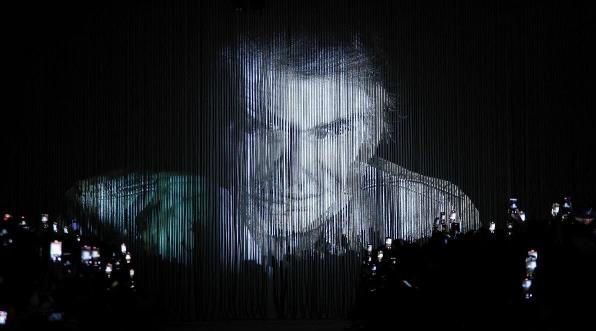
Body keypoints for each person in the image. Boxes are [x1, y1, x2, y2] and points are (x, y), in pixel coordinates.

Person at [66, 31, 480, 266]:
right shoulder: (110, 213)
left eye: (330, 132)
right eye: (261, 129)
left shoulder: (431, 219)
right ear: (214, 126)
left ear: (373, 135)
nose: (294, 173)